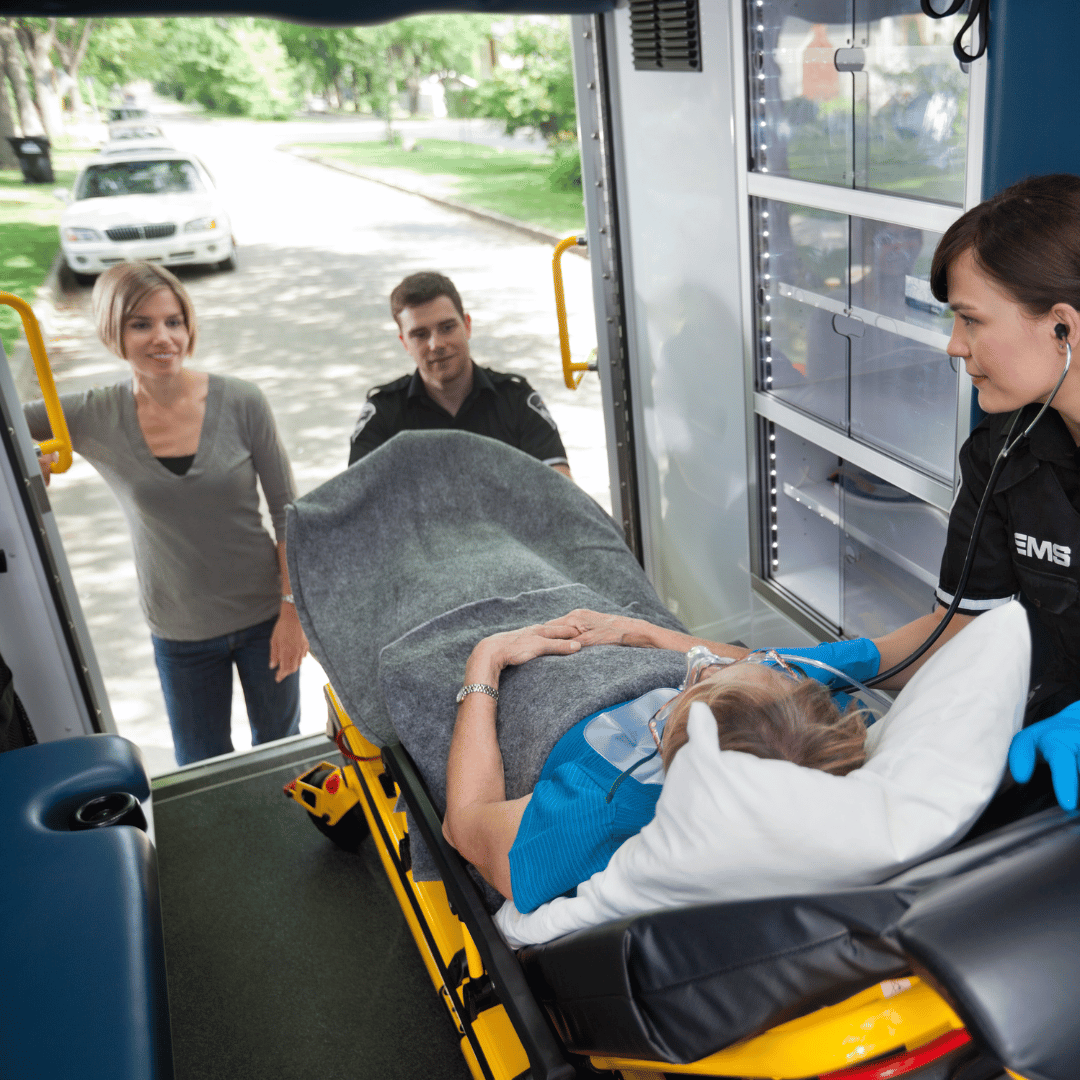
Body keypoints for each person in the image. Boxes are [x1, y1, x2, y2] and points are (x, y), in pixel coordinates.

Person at [748, 174, 1080, 814]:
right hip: (1043, 756)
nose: (956, 347)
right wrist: (835, 666)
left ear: (1061, 327)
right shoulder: (1004, 453)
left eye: (970, 320)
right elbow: (964, 629)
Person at [24, 262, 307, 766]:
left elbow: (289, 514)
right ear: (114, 330)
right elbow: (11, 432)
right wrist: (32, 462)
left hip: (267, 615)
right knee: (200, 764)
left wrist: (293, 612)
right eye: (141, 324)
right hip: (181, 634)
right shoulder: (92, 414)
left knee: (282, 757)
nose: (163, 338)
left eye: (174, 321)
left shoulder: (242, 401)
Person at [442, 618, 867, 913]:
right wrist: (642, 633)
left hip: (527, 673)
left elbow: (463, 824)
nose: (705, 656)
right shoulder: (803, 725)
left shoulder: (596, 813)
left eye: (700, 677)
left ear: (666, 735)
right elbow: (910, 648)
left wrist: (485, 662)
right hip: (605, 633)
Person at [347, 271, 571, 476]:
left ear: (467, 326)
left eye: (447, 328)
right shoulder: (384, 414)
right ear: (404, 343)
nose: (436, 344)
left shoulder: (516, 402)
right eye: (420, 334)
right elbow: (354, 502)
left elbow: (563, 496)